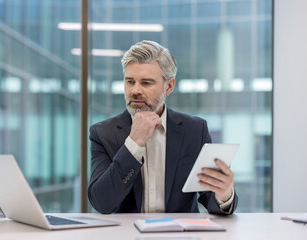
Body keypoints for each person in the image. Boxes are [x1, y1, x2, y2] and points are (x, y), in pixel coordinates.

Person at [88, 40, 238, 215]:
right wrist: (134, 143)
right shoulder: (103, 134)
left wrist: (224, 193)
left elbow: (209, 197)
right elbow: (102, 203)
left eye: (146, 83)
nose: (135, 90)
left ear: (169, 86)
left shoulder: (195, 130)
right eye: (130, 81)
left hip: (179, 235)